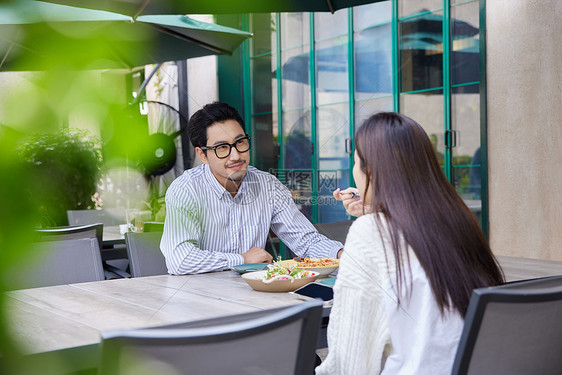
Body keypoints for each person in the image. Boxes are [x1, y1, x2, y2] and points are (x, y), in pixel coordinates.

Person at [316, 112, 504, 374]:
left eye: (356, 162)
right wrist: (375, 212)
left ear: (369, 170)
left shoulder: (370, 233)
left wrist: (372, 221)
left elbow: (350, 361)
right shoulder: (459, 220)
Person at [160, 101, 343, 274]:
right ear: (202, 154)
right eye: (222, 148)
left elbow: (306, 241)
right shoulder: (186, 189)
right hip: (198, 299)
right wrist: (241, 259)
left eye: (240, 142)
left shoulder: (268, 185)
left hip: (255, 291)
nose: (236, 156)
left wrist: (343, 257)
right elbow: (180, 260)